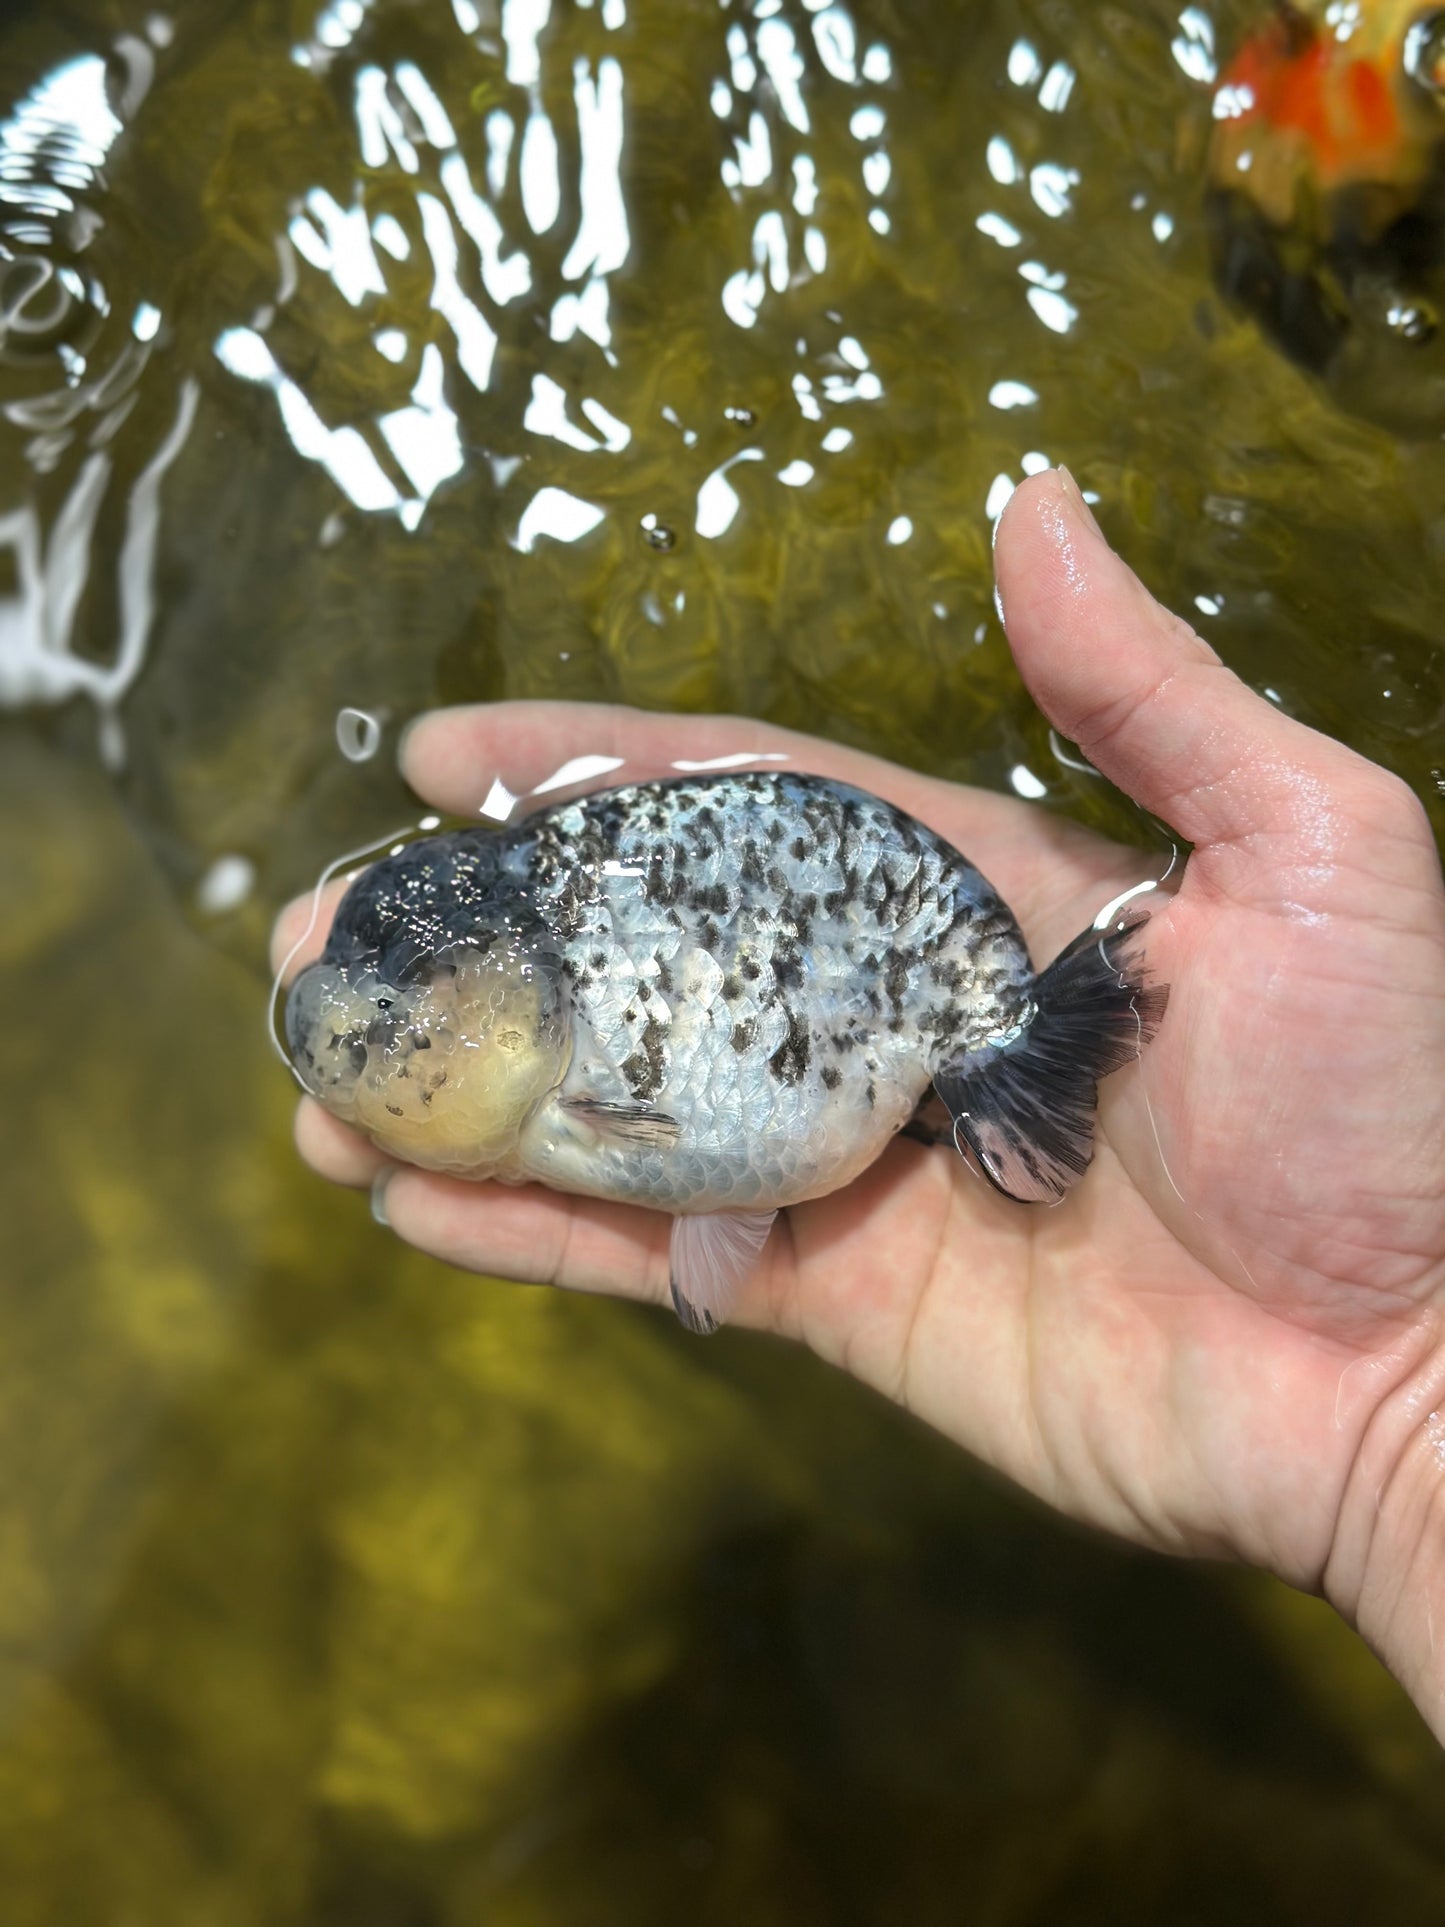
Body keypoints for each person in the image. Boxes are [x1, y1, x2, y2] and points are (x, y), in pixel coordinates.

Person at [273, 469, 1445, 1742]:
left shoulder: (570, 1042)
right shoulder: (546, 1017)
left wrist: (1403, 1400)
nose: (370, 1050)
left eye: (394, 1027)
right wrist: (1394, 1424)